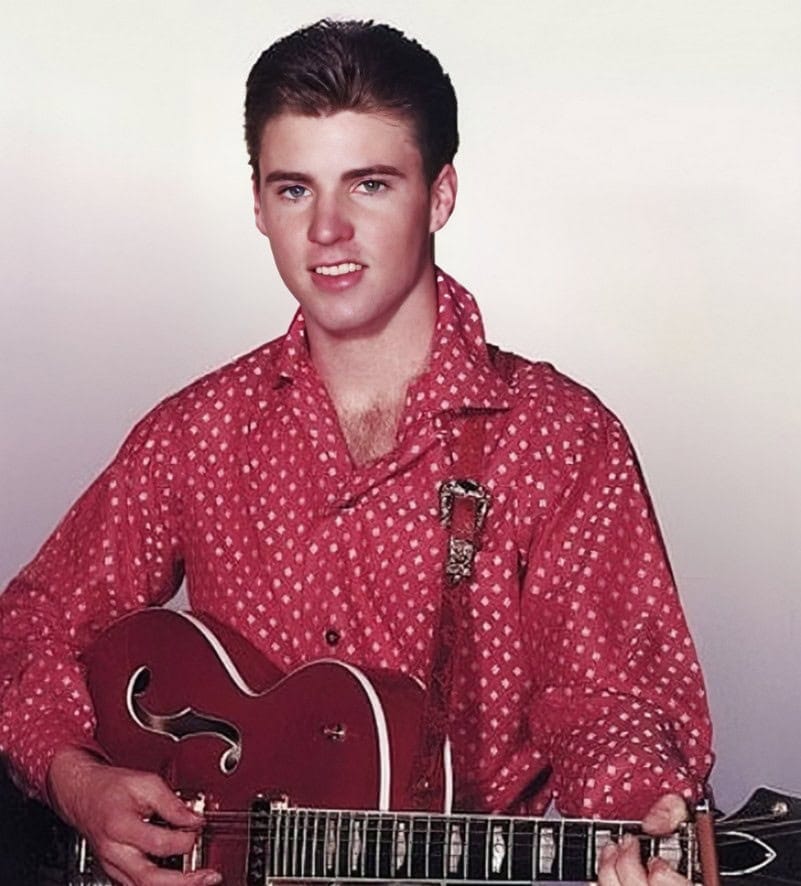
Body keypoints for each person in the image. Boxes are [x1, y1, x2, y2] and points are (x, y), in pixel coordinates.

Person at [0, 18, 713, 886]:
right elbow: (31, 627)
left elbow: (609, 698)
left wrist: (637, 826)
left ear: (439, 194)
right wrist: (76, 781)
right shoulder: (197, 433)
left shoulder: (556, 437)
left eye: (369, 185)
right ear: (258, 204)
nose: (328, 230)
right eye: (295, 189)